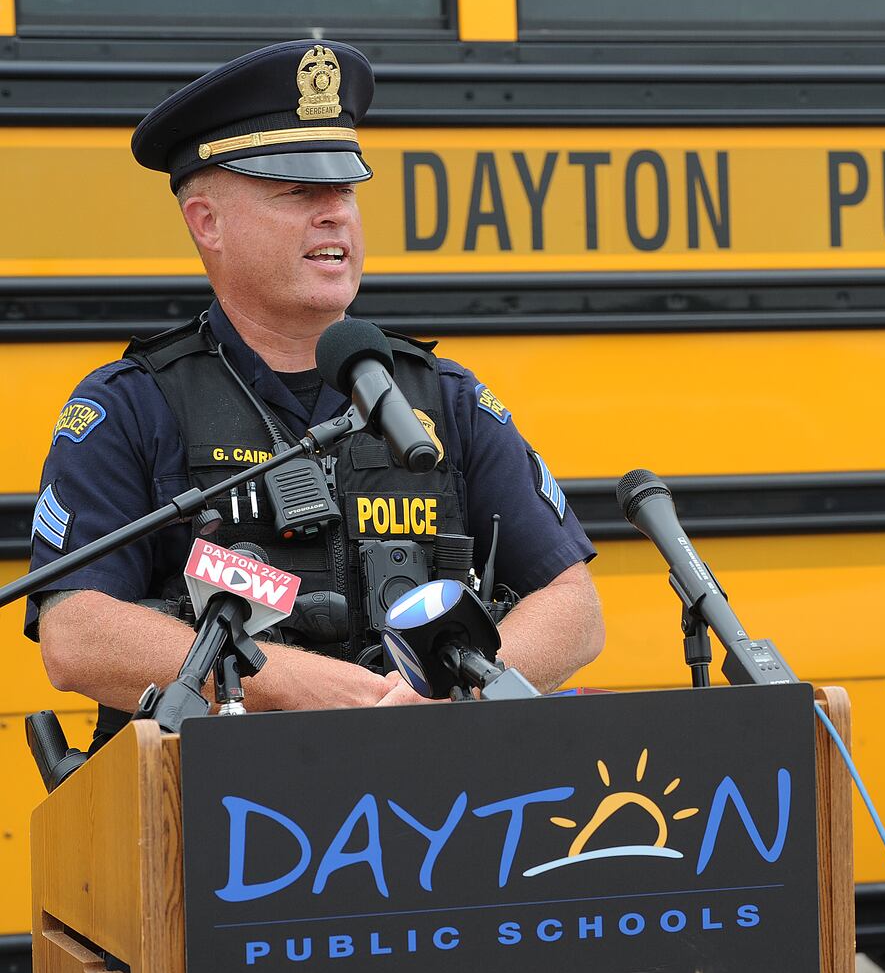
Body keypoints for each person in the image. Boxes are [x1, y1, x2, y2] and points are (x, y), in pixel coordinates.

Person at [26, 40, 603, 748]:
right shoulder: (131, 406)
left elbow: (574, 608)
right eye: (298, 192)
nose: (335, 214)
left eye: (346, 189)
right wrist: (302, 688)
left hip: (436, 806)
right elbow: (76, 633)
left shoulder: (440, 397)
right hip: (219, 820)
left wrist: (448, 686)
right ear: (207, 222)